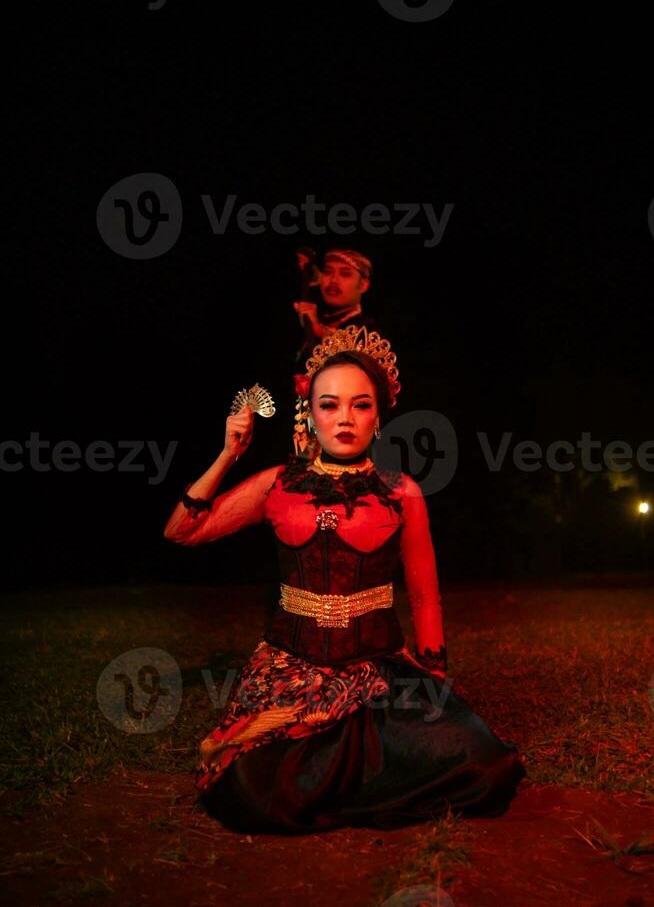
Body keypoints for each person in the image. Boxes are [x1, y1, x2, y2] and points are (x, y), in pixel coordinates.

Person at [164, 326, 525, 833]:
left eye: (360, 405)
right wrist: (229, 454)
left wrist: (435, 679)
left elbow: (423, 594)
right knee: (250, 794)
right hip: (292, 672)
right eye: (330, 405)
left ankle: (374, 783)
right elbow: (182, 531)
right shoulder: (278, 484)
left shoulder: (402, 491)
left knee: (488, 767)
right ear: (309, 412)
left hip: (378, 674)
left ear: (378, 416)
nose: (345, 419)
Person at [293, 249, 383, 368]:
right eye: (328, 272)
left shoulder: (369, 332)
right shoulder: (317, 317)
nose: (333, 280)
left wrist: (319, 331)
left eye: (345, 274)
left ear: (363, 285)